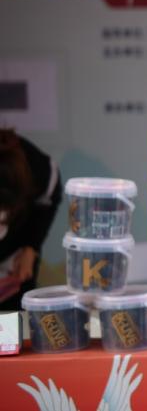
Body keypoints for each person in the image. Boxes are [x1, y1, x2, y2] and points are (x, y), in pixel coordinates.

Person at [0, 128, 61, 310]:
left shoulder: (38, 169)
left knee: (13, 321)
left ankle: (9, 338)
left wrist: (30, 247)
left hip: (15, 256)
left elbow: (47, 202)